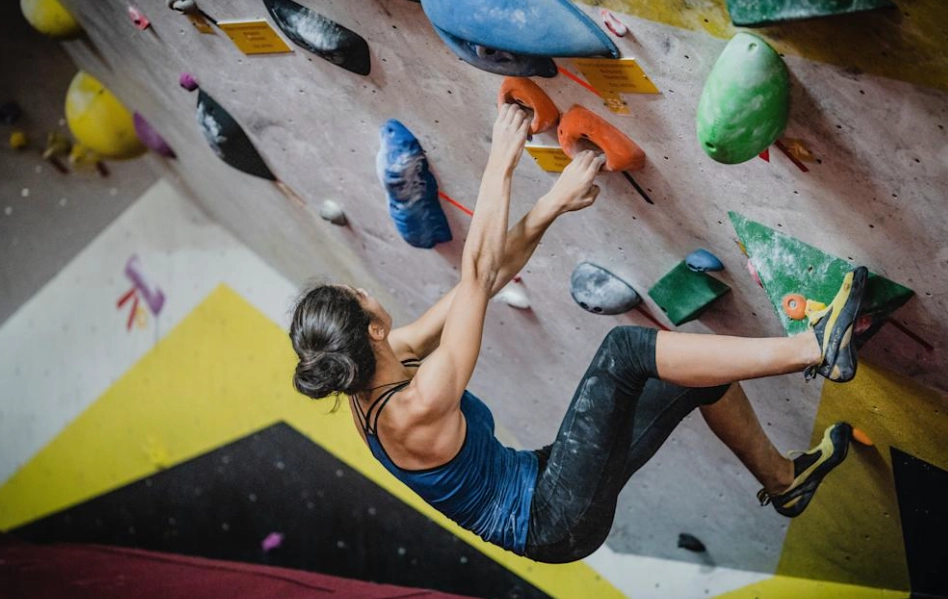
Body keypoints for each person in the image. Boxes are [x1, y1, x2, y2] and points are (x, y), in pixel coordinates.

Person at [289, 104, 867, 564]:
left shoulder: (389, 360)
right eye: (357, 296)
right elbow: (477, 272)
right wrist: (502, 158)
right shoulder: (415, 406)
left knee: (693, 376)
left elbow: (484, 284)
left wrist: (551, 207)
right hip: (553, 520)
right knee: (626, 352)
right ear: (371, 326)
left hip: (547, 479)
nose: (365, 291)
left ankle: (786, 482)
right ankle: (815, 348)